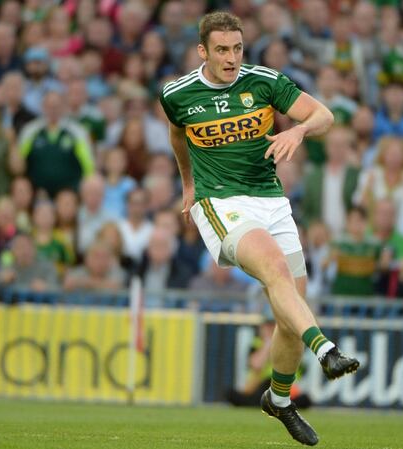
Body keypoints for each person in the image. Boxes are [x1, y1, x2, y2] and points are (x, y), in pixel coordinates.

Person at [159, 12, 358, 446]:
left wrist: (301, 130)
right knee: (274, 270)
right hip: (220, 203)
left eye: (237, 49)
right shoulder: (177, 94)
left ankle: (280, 400)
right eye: (222, 50)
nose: (231, 59)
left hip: (270, 200)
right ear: (203, 52)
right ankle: (326, 349)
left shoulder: (264, 81)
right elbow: (178, 137)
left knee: (290, 311)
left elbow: (324, 115)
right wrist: (189, 183)